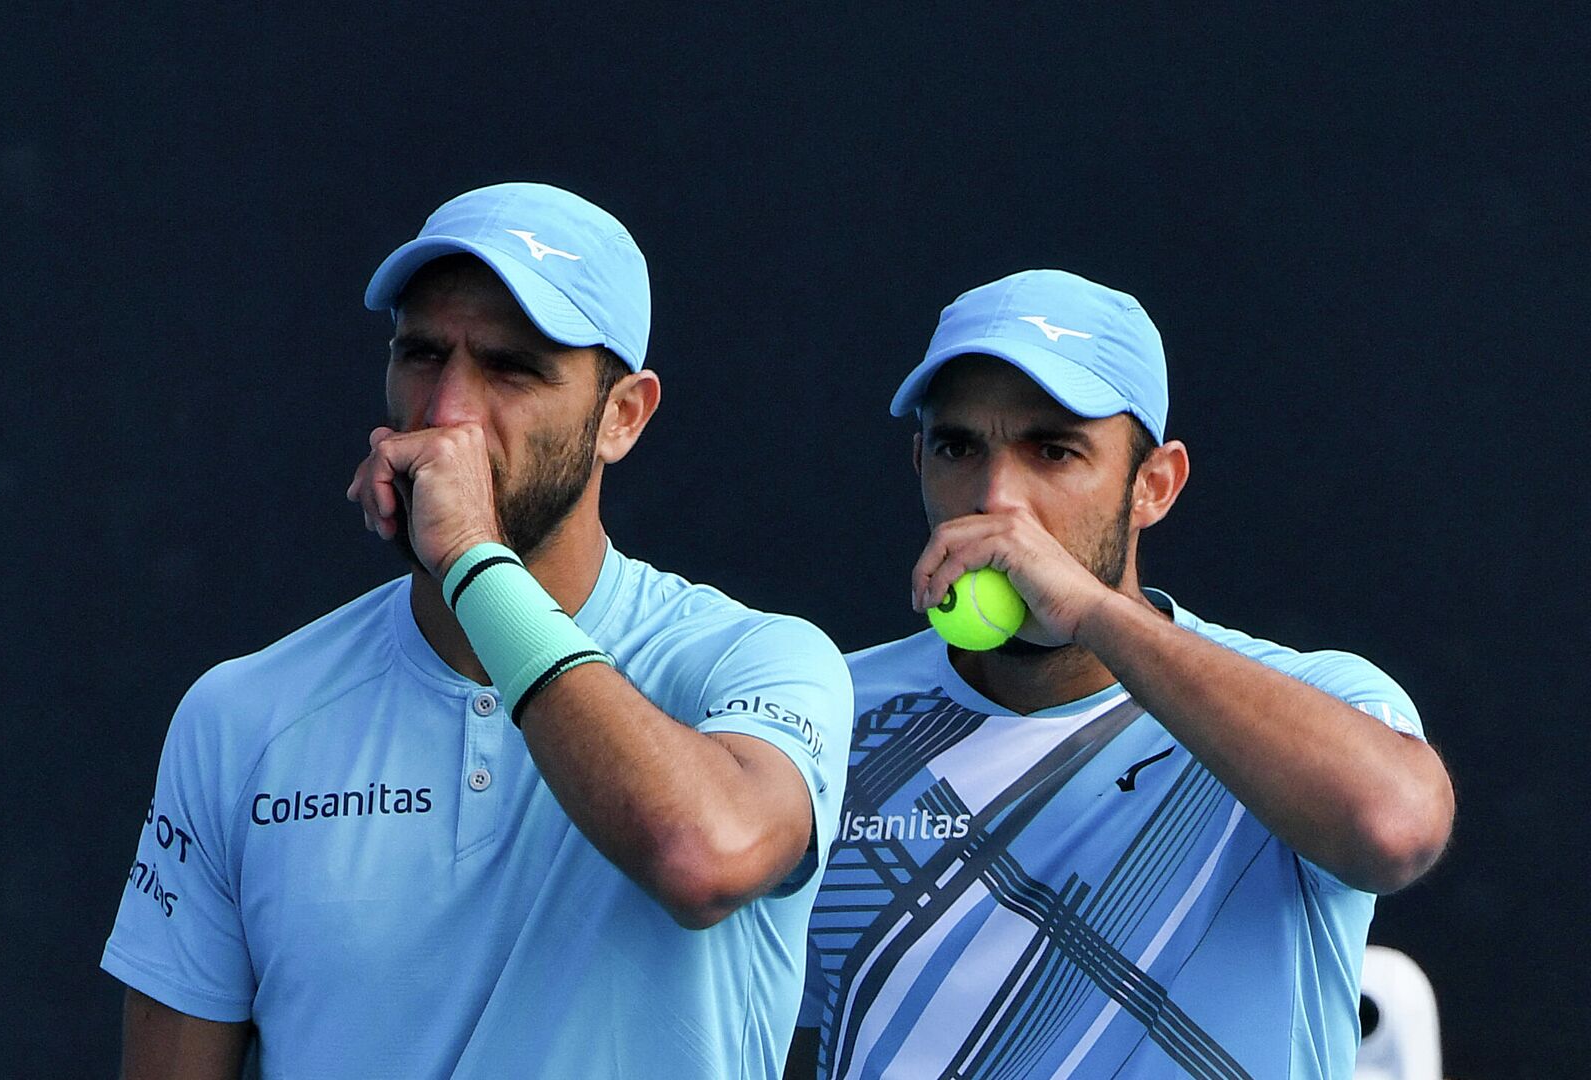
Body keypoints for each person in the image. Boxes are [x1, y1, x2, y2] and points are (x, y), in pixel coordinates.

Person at [101, 182, 853, 1079]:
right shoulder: (240, 714)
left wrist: (470, 558)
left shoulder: (755, 660)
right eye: (421, 353)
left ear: (624, 416)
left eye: (512, 367)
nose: (448, 409)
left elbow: (703, 855)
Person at [789, 270, 1454, 1079]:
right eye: (959, 447)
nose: (998, 499)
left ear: (1155, 486)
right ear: (918, 460)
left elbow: (1395, 828)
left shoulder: (1309, 702)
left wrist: (1093, 612)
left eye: (1055, 450)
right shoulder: (829, 710)